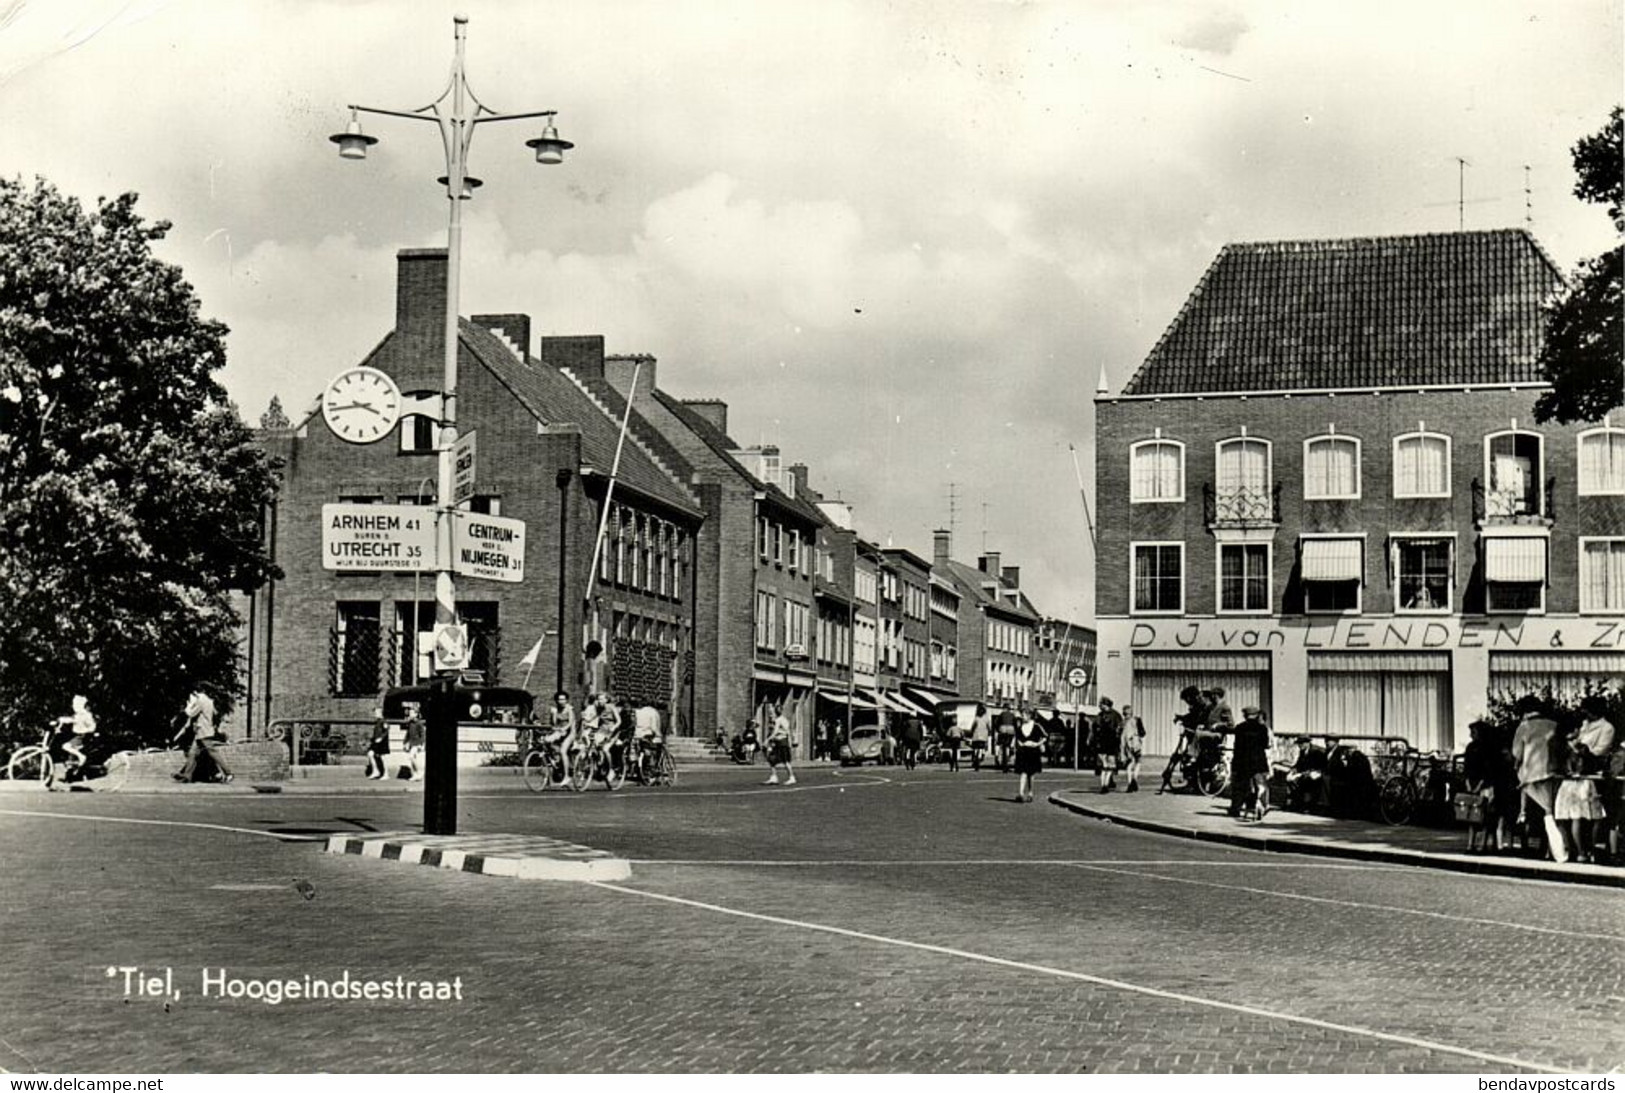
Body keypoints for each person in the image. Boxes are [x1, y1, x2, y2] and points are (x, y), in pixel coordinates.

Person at [1554, 695, 1615, 864]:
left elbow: (1600, 752)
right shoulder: (1584, 725)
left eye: (1586, 710)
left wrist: (1582, 750)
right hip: (1573, 775)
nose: (1584, 714)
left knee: (1586, 815)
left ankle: (1587, 850)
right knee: (1567, 815)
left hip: (1588, 774)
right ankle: (1572, 850)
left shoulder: (1606, 728)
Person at [1510, 698, 1570, 864]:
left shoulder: (1524, 727)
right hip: (1555, 772)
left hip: (1531, 775)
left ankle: (1559, 853)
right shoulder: (1553, 724)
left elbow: (1517, 753)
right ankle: (1554, 851)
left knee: (1544, 813)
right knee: (1552, 811)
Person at [174, 690, 233, 784]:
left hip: (203, 731)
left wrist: (189, 705)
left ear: (195, 692)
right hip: (203, 731)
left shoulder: (201, 700)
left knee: (212, 752)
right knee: (192, 753)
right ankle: (186, 776)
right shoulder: (209, 700)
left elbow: (190, 713)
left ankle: (228, 773)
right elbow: (214, 714)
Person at [1159, 686, 1209, 793]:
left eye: (1187, 699)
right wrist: (1182, 718)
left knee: (1191, 759)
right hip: (1193, 736)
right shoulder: (1198, 706)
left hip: (1199, 738)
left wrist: (1185, 720)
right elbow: (1192, 716)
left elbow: (1198, 719)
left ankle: (1194, 784)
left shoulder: (1202, 706)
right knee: (1187, 758)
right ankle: (1192, 783)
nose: (1187, 702)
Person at [1227, 706, 1272, 820]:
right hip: (1258, 762)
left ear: (1245, 715)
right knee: (1259, 787)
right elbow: (1265, 744)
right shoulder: (1262, 728)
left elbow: (1237, 747)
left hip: (1242, 762)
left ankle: (1236, 809)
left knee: (1240, 787)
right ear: (1256, 715)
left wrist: (1235, 763)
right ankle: (1256, 808)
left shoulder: (1240, 727)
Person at [45, 694, 96, 790]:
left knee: (66, 746)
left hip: (83, 737)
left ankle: (82, 757)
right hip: (76, 736)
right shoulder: (78, 715)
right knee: (66, 752)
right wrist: (58, 721)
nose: (74, 707)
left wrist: (87, 730)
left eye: (76, 705)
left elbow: (92, 726)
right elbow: (70, 720)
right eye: (74, 705)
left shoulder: (85, 715)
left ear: (81, 705)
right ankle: (69, 775)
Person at [1284, 735, 1329, 811]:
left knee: (1305, 780)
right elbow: (1298, 765)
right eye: (1299, 744)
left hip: (1315, 774)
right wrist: (1292, 772)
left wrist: (1301, 774)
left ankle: (1307, 804)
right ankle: (1295, 803)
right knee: (1290, 780)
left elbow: (1318, 767)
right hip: (1306, 773)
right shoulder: (1302, 751)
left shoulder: (1317, 751)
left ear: (1307, 743)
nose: (1299, 746)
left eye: (1301, 743)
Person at [1013, 708, 1047, 803]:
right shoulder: (1020, 727)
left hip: (1033, 752)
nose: (1022, 717)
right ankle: (1020, 793)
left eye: (1023, 715)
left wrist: (1037, 744)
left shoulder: (1037, 726)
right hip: (1023, 752)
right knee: (1023, 772)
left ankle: (1031, 792)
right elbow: (1018, 738)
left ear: (1029, 715)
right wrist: (1020, 744)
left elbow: (1045, 737)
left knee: (1031, 774)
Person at [1094, 697, 1124, 792]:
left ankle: (1104, 785)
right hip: (1111, 744)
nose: (1099, 706)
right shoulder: (1116, 715)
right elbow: (1120, 729)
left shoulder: (1100, 715)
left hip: (1104, 743)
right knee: (1109, 767)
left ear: (1106, 705)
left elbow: (1095, 728)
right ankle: (1105, 784)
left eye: (1101, 704)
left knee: (1104, 767)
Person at [764, 703, 796, 786]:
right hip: (780, 742)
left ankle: (791, 777)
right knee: (772, 760)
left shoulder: (779, 720)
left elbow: (775, 732)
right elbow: (789, 732)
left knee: (785, 762)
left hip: (781, 742)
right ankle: (774, 777)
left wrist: (767, 740)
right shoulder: (785, 720)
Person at [1117, 703, 1145, 793]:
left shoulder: (1122, 723)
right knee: (1138, 762)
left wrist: (1121, 751)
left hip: (1127, 746)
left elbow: (1120, 736)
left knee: (1129, 764)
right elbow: (1143, 733)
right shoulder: (1136, 720)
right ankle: (1134, 778)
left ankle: (1129, 782)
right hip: (1136, 744)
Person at [364, 708, 390, 780]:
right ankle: (376, 771)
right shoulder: (377, 722)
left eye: (376, 713)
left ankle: (386, 774)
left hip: (382, 743)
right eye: (375, 713)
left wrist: (381, 738)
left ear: (380, 713)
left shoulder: (384, 721)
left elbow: (386, 731)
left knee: (383, 758)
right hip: (375, 742)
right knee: (370, 754)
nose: (375, 714)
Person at [402, 704, 427, 781]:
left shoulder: (419, 723)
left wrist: (422, 744)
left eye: (412, 713)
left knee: (411, 757)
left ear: (416, 714)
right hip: (411, 743)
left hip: (417, 743)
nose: (410, 714)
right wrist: (405, 742)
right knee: (413, 758)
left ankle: (419, 772)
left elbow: (423, 734)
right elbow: (408, 733)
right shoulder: (410, 723)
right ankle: (415, 774)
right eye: (410, 713)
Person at [994, 707, 1018, 772]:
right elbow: (1016, 724)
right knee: (1008, 745)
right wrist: (1016, 731)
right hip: (1011, 730)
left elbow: (996, 723)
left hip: (1002, 730)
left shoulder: (1001, 714)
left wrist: (997, 730)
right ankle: (1008, 757)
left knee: (1000, 745)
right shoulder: (1012, 715)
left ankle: (1000, 759)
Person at [969, 704, 991, 771]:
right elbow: (989, 727)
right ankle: (980, 757)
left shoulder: (976, 718)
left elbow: (973, 727)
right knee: (981, 748)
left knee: (975, 748)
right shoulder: (986, 719)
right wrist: (989, 732)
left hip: (976, 736)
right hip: (983, 736)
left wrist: (971, 732)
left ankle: (975, 758)